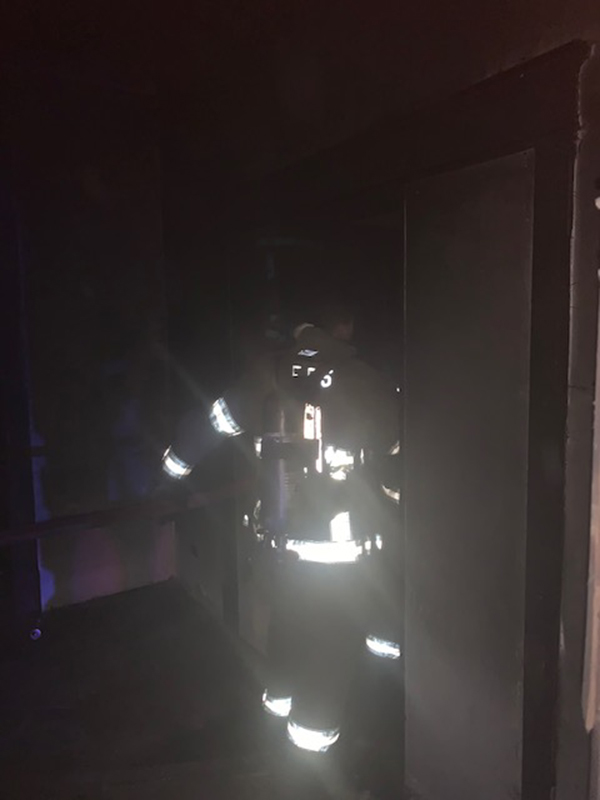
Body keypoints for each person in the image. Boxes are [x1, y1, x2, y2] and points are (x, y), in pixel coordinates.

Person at [161, 300, 402, 759]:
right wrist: (396, 507)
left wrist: (171, 472)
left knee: (286, 634)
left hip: (279, 552)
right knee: (328, 660)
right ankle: (308, 764)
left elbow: (206, 427)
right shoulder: (366, 381)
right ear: (345, 325)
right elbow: (397, 458)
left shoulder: (267, 376)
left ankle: (273, 731)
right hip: (341, 561)